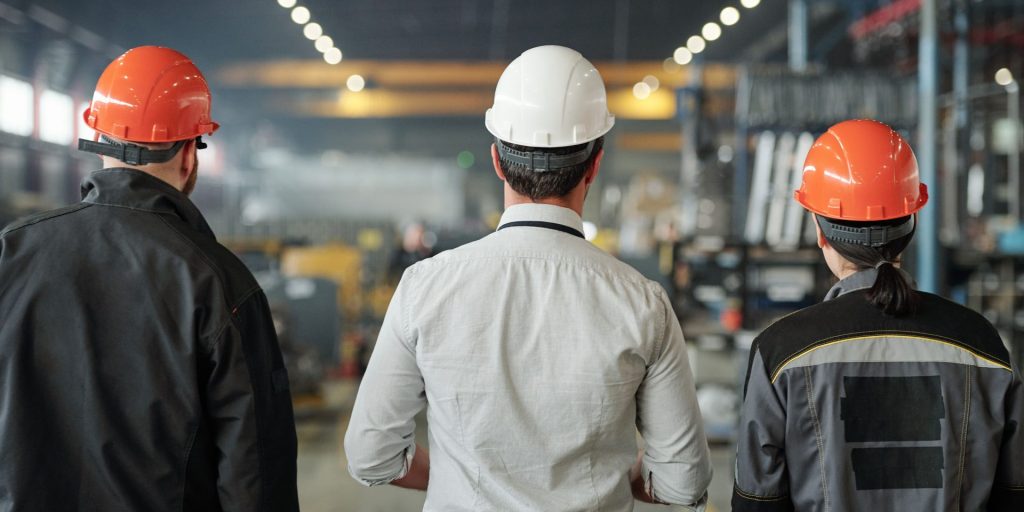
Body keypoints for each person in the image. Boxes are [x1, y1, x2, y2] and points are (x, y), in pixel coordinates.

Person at [344, 45, 712, 511]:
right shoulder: (643, 303)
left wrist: (462, 479)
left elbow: (370, 455)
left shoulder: (425, 288)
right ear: (595, 166)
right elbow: (683, 481)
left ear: (497, 160)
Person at [0, 46, 299, 511]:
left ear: (96, 138)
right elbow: (255, 470)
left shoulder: (10, 253)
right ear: (188, 154)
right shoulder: (220, 281)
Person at [732, 119, 1024, 511]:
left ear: (821, 232)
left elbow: (758, 501)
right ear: (911, 223)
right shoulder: (982, 343)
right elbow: (1015, 493)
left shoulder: (782, 351)